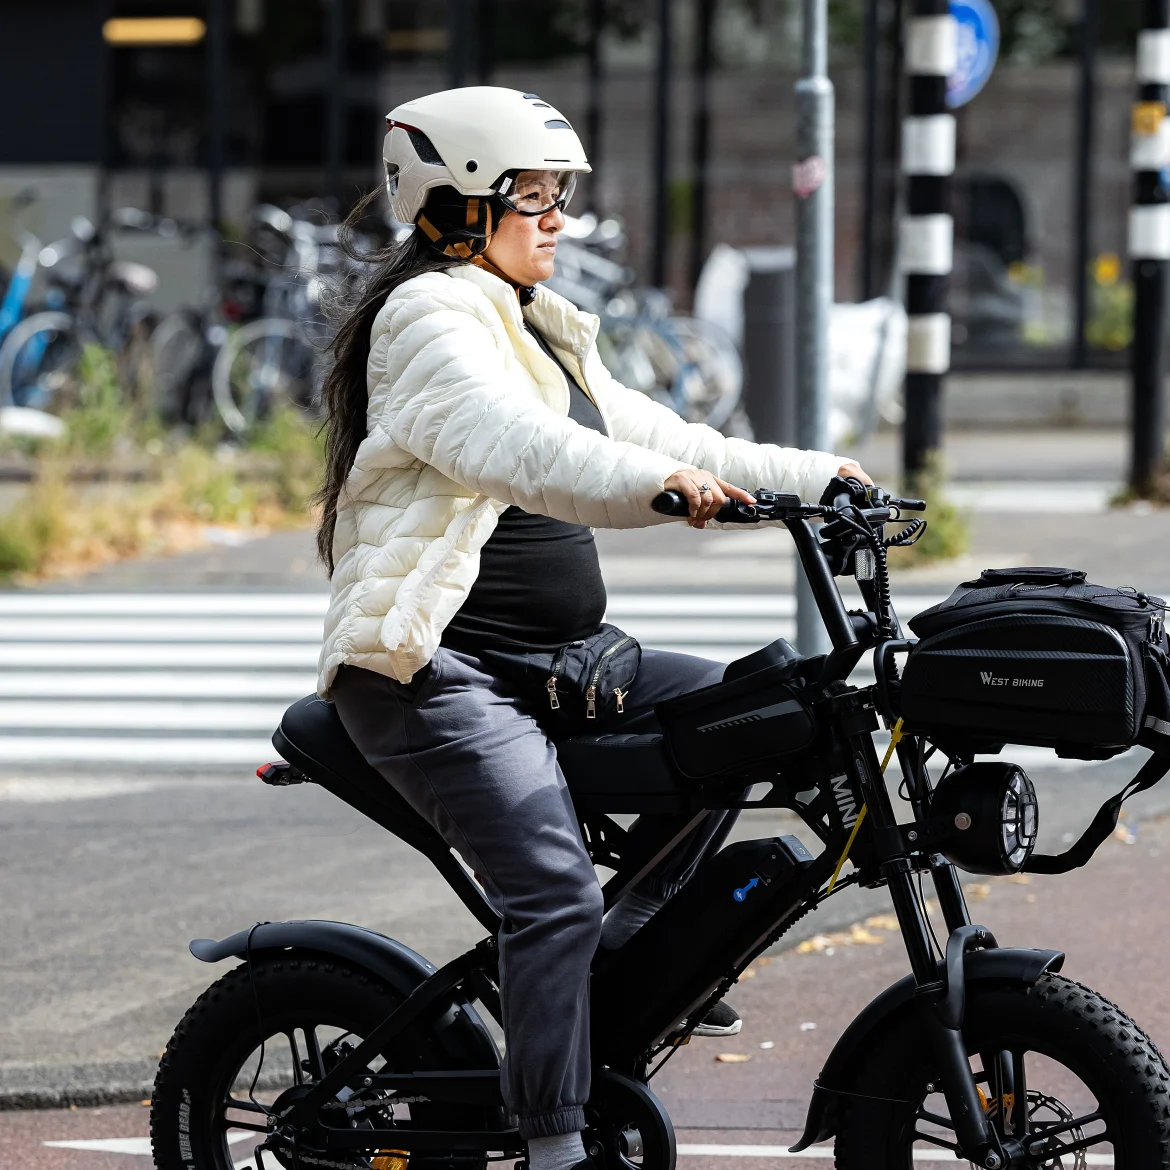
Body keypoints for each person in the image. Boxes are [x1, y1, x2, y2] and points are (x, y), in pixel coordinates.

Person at [317, 87, 869, 1170]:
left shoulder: (533, 321)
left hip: (563, 666)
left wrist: (826, 478)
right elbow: (514, 447)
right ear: (457, 206)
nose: (558, 219)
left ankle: (628, 965)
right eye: (534, 198)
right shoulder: (428, 317)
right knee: (552, 890)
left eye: (560, 196)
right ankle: (554, 1140)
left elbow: (664, 429)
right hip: (438, 670)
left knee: (755, 719)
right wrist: (659, 486)